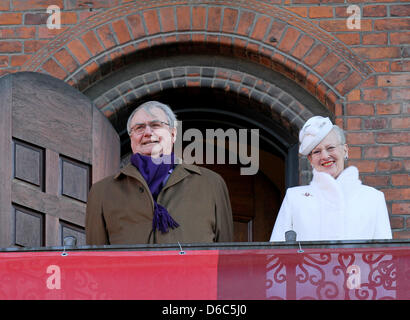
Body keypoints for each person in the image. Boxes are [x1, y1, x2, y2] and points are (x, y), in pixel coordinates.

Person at [86, 101, 234, 245]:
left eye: (156, 125)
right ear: (131, 139)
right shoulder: (102, 192)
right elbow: (94, 261)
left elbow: (227, 257)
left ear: (173, 134)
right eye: (139, 128)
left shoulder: (211, 184)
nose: (148, 133)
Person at [270, 116, 392, 242]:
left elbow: (385, 256)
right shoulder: (294, 197)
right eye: (317, 151)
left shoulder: (373, 198)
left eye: (330, 148)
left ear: (345, 150)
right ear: (310, 160)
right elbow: (275, 252)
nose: (325, 156)